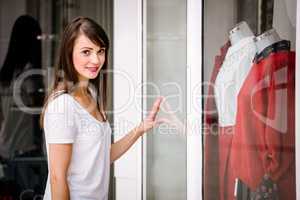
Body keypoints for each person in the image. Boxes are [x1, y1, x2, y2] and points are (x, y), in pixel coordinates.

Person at [40, 16, 163, 200]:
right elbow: (58, 179)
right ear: (69, 52)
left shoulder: (91, 93)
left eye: (101, 51)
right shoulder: (64, 106)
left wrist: (140, 129)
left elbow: (101, 158)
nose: (96, 60)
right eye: (86, 52)